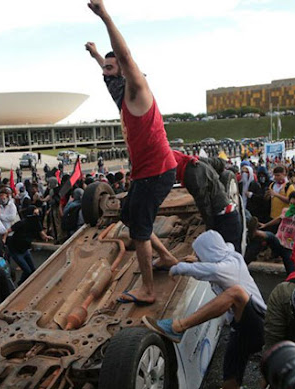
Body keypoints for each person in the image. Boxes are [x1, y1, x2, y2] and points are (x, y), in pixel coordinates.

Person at [88, 0, 177, 306]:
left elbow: (124, 56)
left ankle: (149, 291)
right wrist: (96, 54)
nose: (106, 74)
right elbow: (112, 63)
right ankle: (166, 257)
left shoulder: (136, 88)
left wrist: (105, 16)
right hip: (146, 172)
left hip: (157, 171)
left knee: (139, 233)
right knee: (129, 216)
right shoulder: (122, 95)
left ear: (124, 72)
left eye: (110, 69)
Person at [141, 230, 266, 389]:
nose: (199, 258)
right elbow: (215, 260)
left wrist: (179, 268)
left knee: (236, 293)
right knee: (230, 379)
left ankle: (178, 327)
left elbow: (214, 270)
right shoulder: (229, 254)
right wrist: (198, 260)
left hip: (258, 323)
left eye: (201, 254)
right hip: (240, 329)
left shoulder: (229, 266)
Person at [171, 150, 242, 250]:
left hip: (223, 219)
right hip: (229, 213)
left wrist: (209, 231)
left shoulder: (191, 176)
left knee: (227, 257)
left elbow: (204, 204)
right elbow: (219, 163)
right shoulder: (195, 161)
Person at [6, 206, 52, 285]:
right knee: (27, 271)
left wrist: (46, 237)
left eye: (37, 213)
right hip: (16, 250)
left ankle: (29, 285)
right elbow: (8, 230)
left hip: (25, 249)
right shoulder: (22, 223)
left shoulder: (36, 223)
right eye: (35, 213)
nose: (37, 215)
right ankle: (20, 285)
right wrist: (3, 240)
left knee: (33, 269)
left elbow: (41, 233)